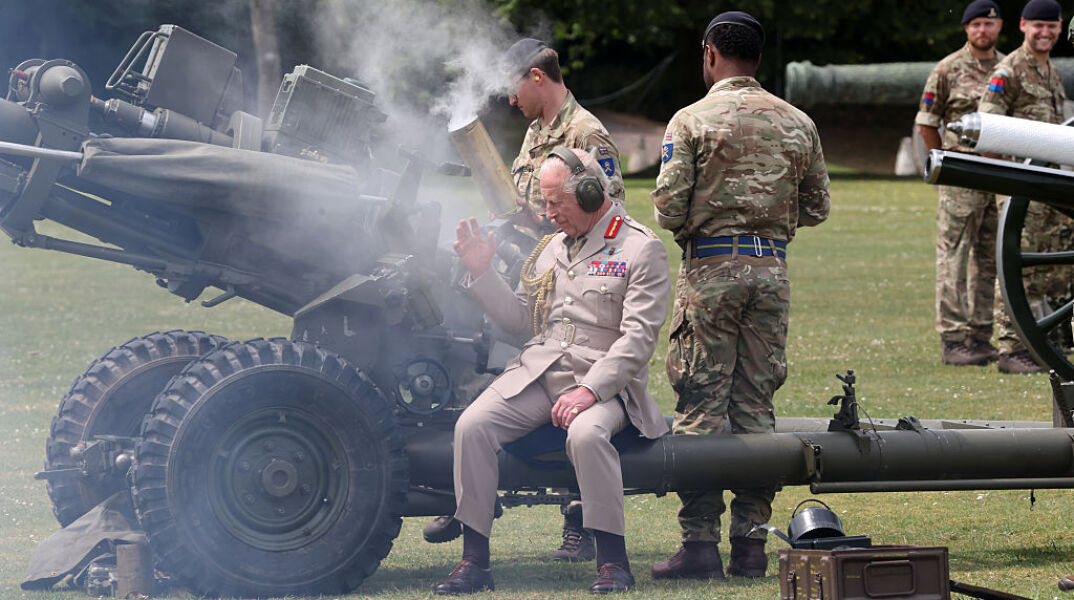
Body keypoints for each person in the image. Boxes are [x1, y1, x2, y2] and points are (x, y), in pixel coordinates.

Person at [423, 38, 627, 563]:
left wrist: (542, 222)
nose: (509, 101)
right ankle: (470, 494)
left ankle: (579, 519)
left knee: (572, 396)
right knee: (491, 375)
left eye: (514, 87)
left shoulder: (586, 135)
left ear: (537, 77)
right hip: (527, 275)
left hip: (575, 288)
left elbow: (606, 217)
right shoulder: (537, 134)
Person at [434, 148, 670, 595]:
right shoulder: (552, 248)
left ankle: (613, 562)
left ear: (588, 192)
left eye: (556, 202)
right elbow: (523, 323)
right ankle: (474, 562)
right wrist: (483, 273)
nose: (548, 213)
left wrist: (589, 391)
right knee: (472, 425)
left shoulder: (640, 248)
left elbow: (637, 339)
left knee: (585, 434)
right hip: (540, 374)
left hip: (607, 384)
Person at [649, 10, 830, 580]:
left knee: (701, 404)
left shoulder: (690, 121)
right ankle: (751, 546)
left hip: (710, 272)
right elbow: (818, 206)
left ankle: (699, 545)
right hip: (771, 270)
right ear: (758, 57)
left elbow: (666, 207)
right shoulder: (798, 121)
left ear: (709, 53)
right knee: (755, 408)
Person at [978, 0, 1071, 374]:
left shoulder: (1052, 71)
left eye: (1051, 27)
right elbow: (988, 127)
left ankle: (1042, 340)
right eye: (1038, 27)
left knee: (1047, 269)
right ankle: (1011, 349)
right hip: (1024, 187)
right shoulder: (1008, 70)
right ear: (1022, 26)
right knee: (1018, 264)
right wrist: (1010, 182)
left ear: (1060, 29)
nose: (1045, 33)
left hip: (1048, 186)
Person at [916, 0, 1004, 367]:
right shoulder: (947, 69)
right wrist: (946, 167)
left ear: (1000, 28)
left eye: (989, 24)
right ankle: (953, 340)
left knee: (990, 257)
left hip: (997, 176)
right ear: (966, 29)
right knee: (954, 256)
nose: (983, 30)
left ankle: (980, 335)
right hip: (960, 175)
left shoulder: (1007, 68)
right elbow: (927, 124)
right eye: (977, 24)